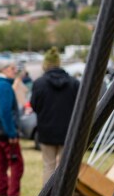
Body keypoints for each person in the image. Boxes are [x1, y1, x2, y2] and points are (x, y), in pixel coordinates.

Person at [30, 47, 79, 185]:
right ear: (59, 64)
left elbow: (34, 105)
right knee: (66, 167)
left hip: (46, 130)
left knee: (48, 166)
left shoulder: (39, 83)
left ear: (45, 65)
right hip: (68, 130)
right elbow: (80, 106)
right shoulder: (74, 83)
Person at [0, 60, 25, 196]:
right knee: (17, 164)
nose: (15, 71)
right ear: (4, 69)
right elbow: (5, 112)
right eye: (12, 68)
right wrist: (12, 133)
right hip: (6, 133)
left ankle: (2, 193)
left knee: (1, 164)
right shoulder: (3, 87)